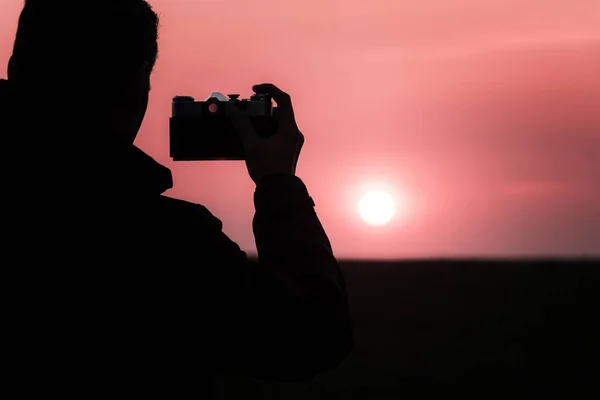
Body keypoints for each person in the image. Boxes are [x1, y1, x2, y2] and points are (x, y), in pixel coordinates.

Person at [0, 1, 353, 398]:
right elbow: (313, 336)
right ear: (136, 94)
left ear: (14, 70)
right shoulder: (162, 242)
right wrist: (278, 184)